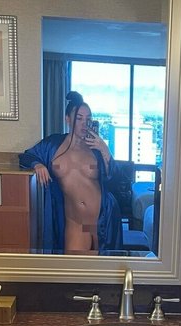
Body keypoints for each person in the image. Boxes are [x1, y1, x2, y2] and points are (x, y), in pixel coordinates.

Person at [19, 91, 122, 254]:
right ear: (67, 119)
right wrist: (37, 164)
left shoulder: (95, 148)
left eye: (88, 119)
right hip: (76, 223)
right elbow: (26, 156)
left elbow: (115, 180)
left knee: (105, 268)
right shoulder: (53, 145)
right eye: (79, 118)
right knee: (74, 268)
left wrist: (105, 149)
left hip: (103, 219)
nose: (84, 124)